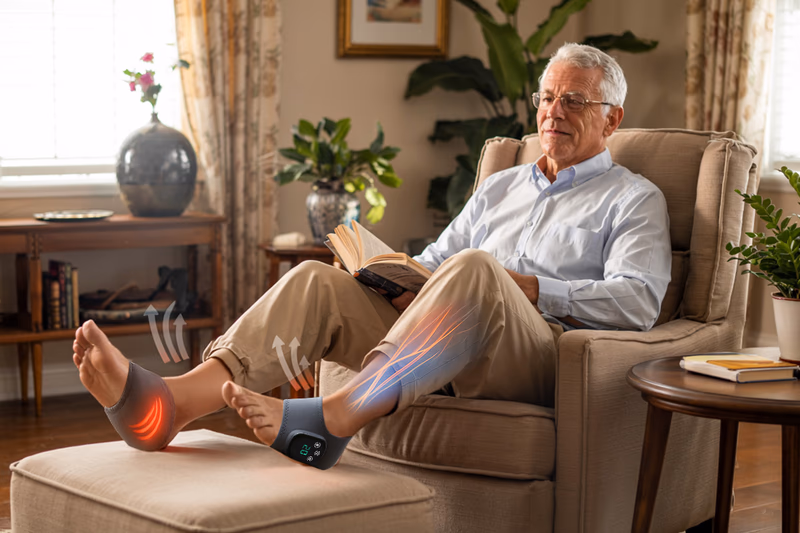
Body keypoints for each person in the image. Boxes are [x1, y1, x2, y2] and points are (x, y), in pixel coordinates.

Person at [73, 43, 671, 462]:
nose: (553, 112)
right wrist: (388, 276)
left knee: (478, 269)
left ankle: (331, 418)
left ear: (611, 119)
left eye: (574, 102)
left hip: (535, 353)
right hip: (441, 341)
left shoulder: (633, 199)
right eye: (546, 98)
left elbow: (639, 301)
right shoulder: (502, 185)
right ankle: (172, 404)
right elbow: (438, 258)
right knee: (316, 279)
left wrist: (533, 288)